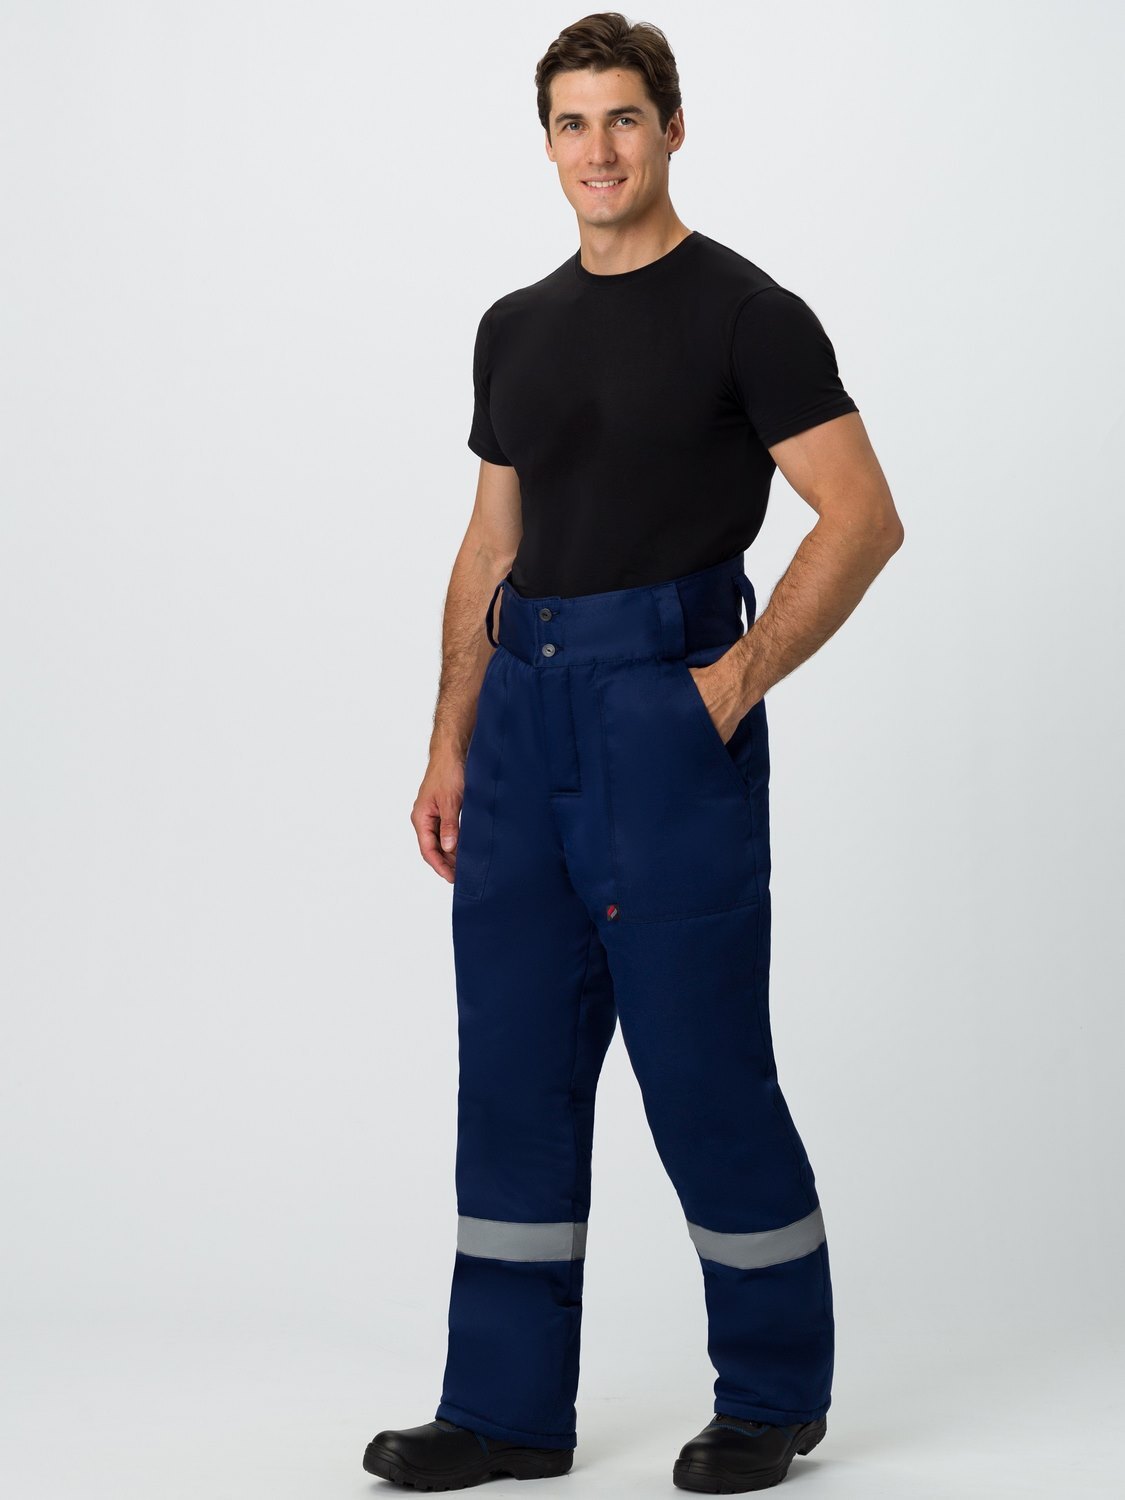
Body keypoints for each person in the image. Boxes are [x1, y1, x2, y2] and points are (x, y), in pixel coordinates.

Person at [364, 11, 903, 1494]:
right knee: (514, 1070)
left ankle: (774, 1394)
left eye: (621, 118)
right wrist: (450, 743)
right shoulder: (514, 326)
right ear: (543, 143)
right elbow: (490, 543)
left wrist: (726, 689)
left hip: (661, 710)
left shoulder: (746, 313)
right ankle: (504, 1412)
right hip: (522, 721)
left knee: (701, 1067)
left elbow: (862, 516)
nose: (596, 149)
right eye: (570, 123)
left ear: (670, 127)